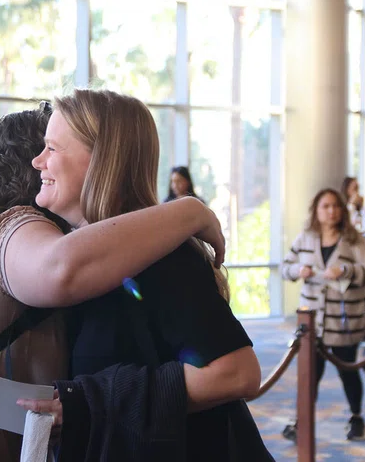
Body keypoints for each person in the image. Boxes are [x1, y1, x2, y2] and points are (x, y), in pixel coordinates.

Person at [0, 103, 227, 462]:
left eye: (55, 147)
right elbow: (62, 270)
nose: (42, 161)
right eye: (43, 146)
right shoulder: (14, 230)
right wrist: (189, 211)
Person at [18, 90, 268, 461]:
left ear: (101, 161)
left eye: (53, 149)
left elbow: (237, 372)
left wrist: (90, 404)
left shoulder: (165, 259)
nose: (38, 161)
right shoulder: (74, 255)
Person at [281, 188, 365, 441]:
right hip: (311, 321)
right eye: (325, 206)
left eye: (335, 206)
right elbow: (285, 267)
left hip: (343, 321)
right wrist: (298, 270)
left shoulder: (355, 239)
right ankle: (301, 422)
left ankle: (356, 418)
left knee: (348, 370)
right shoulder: (306, 238)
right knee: (310, 374)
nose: (331, 211)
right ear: (317, 210)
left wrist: (345, 270)